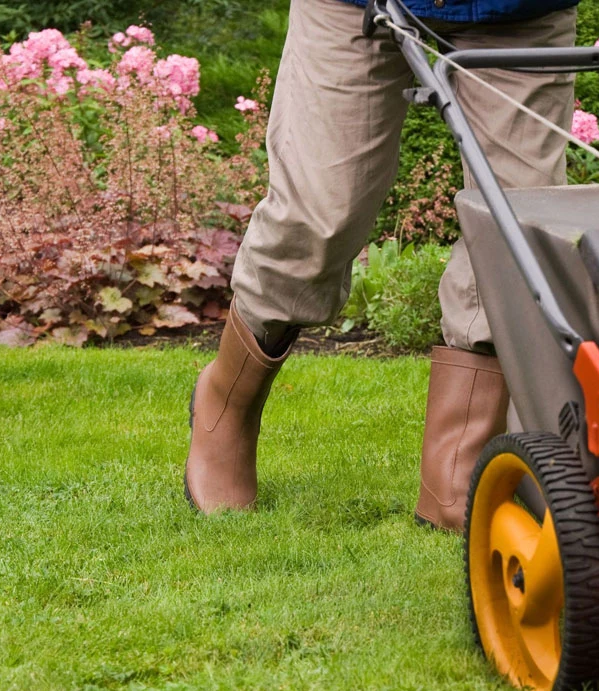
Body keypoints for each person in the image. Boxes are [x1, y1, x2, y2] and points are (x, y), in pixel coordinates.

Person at [186, 0, 579, 529]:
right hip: (351, 6)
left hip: (518, 11)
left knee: (514, 225)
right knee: (318, 216)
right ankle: (226, 400)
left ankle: (457, 467)